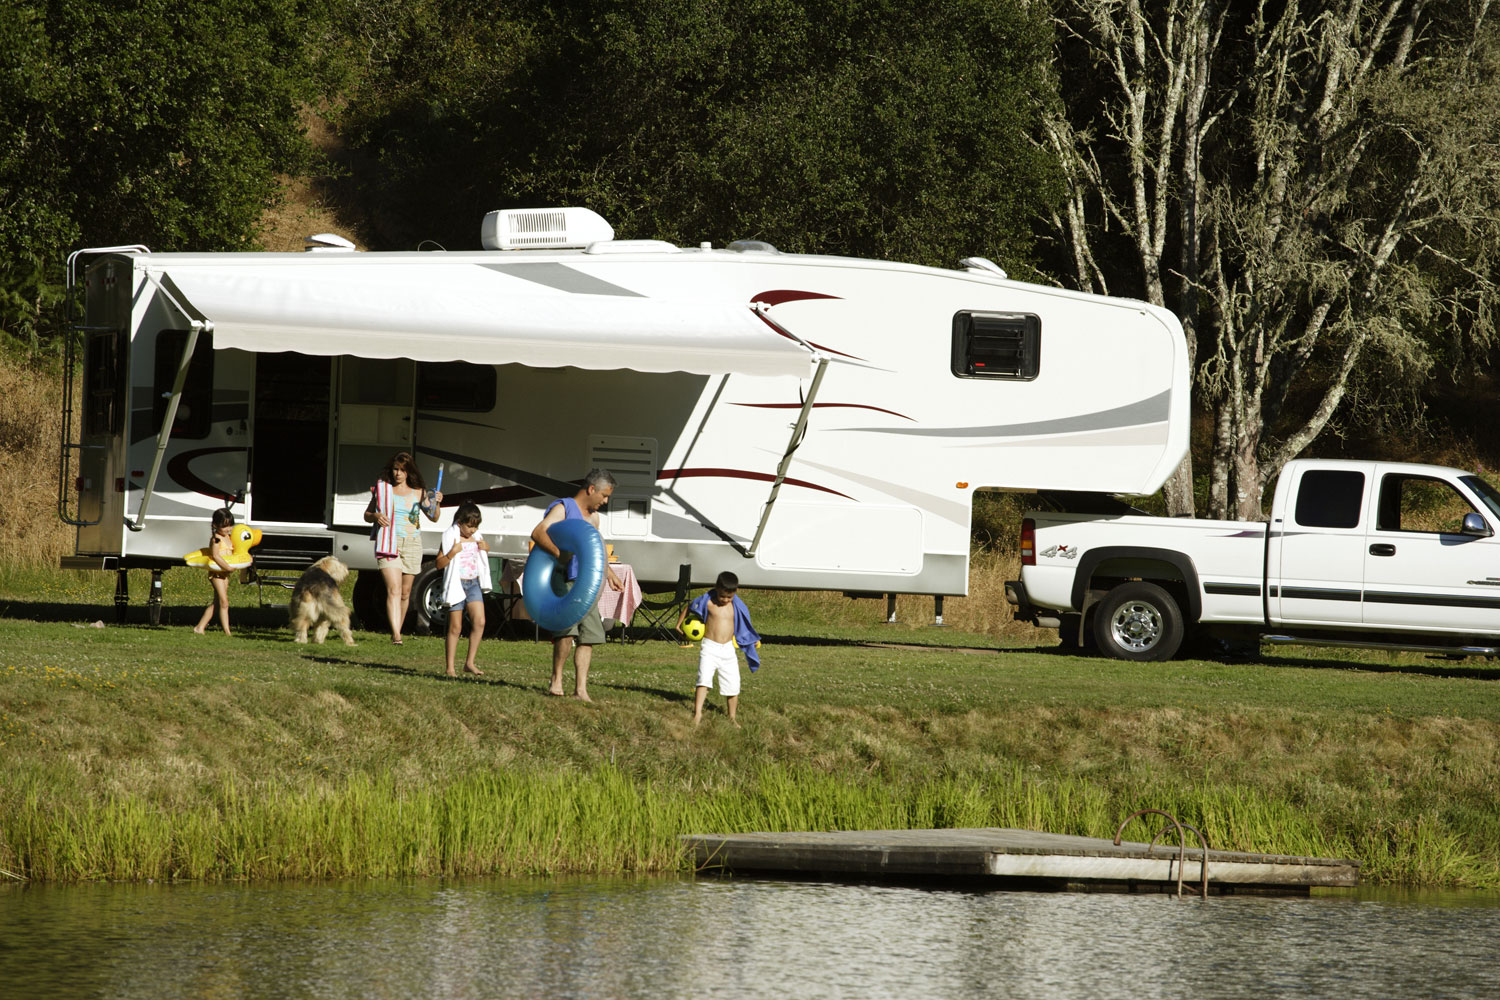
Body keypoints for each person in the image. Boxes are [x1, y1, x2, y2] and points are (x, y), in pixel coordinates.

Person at [530, 469, 623, 701]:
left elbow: (595, 551)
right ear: (591, 489)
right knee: (567, 633)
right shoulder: (563, 508)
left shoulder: (594, 517)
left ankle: (581, 689)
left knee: (589, 635)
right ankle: (557, 680)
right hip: (564, 578)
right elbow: (538, 532)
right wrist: (558, 553)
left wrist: (609, 572)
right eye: (604, 495)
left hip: (588, 582)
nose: (605, 501)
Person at [363, 451, 442, 645]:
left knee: (406, 592)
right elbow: (367, 514)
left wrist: (436, 503)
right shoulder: (383, 490)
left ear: (409, 472)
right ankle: (396, 635)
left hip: (413, 544)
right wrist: (375, 517)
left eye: (402, 470)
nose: (398, 473)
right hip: (389, 542)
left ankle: (397, 630)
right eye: (395, 469)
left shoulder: (419, 492)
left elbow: (434, 516)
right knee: (394, 589)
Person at [677, 571, 761, 727]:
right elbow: (689, 608)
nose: (725, 600)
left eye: (729, 597)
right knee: (703, 679)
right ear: (716, 589)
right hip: (709, 647)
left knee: (733, 684)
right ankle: (698, 713)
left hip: (728, 649)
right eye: (723, 596)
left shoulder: (737, 607)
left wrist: (751, 640)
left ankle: (732, 717)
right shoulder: (707, 602)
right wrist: (678, 625)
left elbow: (744, 625)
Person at [436, 502, 490, 677]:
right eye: (469, 526)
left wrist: (486, 548)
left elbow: (481, 556)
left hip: (473, 583)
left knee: (480, 621)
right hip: (456, 584)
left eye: (475, 526)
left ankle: (470, 662)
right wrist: (452, 552)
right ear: (459, 523)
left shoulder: (477, 537)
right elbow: (439, 564)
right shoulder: (450, 538)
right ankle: (450, 668)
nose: (473, 530)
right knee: (455, 627)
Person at [192, 508, 239, 636]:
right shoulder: (216, 539)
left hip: (224, 575)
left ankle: (199, 627)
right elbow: (216, 555)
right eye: (224, 526)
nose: (228, 528)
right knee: (224, 602)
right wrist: (228, 568)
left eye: (230, 525)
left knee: (217, 603)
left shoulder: (228, 537)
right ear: (215, 525)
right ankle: (227, 632)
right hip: (217, 574)